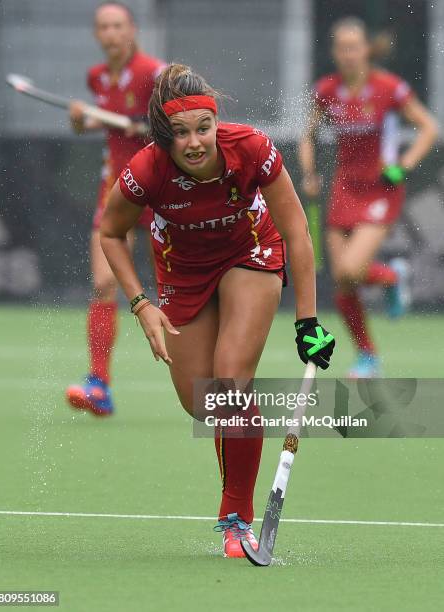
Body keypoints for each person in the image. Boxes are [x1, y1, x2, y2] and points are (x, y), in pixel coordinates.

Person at [99, 63, 335, 557]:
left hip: (249, 254)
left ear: (215, 122)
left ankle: (236, 520)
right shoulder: (146, 170)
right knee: (203, 404)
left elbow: (296, 230)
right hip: (181, 274)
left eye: (203, 128)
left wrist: (308, 322)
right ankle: (239, 466)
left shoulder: (250, 148)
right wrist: (140, 305)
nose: (195, 143)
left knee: (228, 383)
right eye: (181, 134)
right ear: (165, 138)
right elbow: (110, 233)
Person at [299, 17, 438, 378]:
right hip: (345, 187)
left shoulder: (389, 88)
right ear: (334, 52)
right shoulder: (327, 90)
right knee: (342, 281)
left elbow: (428, 127)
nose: (348, 54)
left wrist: (404, 164)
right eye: (341, 48)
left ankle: (392, 276)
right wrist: (310, 173)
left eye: (354, 47)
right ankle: (368, 356)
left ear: (365, 49)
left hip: (381, 187)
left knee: (351, 269)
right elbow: (307, 136)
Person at [66, 2, 165, 415]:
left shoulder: (153, 73)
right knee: (103, 283)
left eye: (117, 26)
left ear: (132, 31)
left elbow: (180, 111)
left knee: (179, 293)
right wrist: (80, 120)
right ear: (97, 34)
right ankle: (99, 386)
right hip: (116, 191)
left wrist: (150, 122)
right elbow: (102, 122)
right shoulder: (97, 77)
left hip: (159, 191)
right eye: (103, 27)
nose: (110, 33)